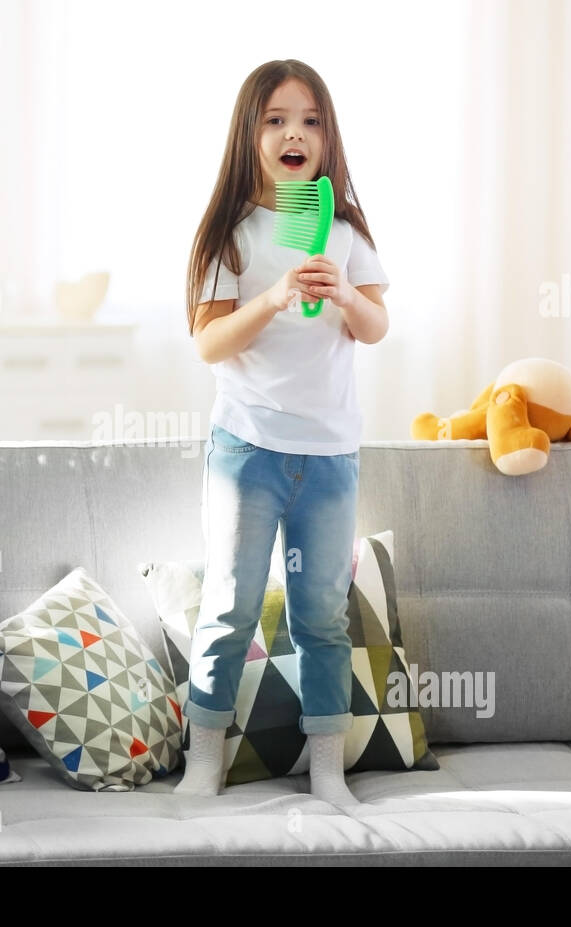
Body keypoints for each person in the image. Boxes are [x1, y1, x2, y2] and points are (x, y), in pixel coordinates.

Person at [176, 59, 390, 806]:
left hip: (329, 456)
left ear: (326, 139)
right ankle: (202, 761)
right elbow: (209, 344)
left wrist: (342, 296)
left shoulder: (346, 232)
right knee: (230, 606)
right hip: (246, 450)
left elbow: (375, 327)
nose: (293, 132)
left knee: (322, 617)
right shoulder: (228, 235)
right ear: (250, 135)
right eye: (275, 119)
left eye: (309, 120)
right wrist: (271, 298)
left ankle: (327, 769)